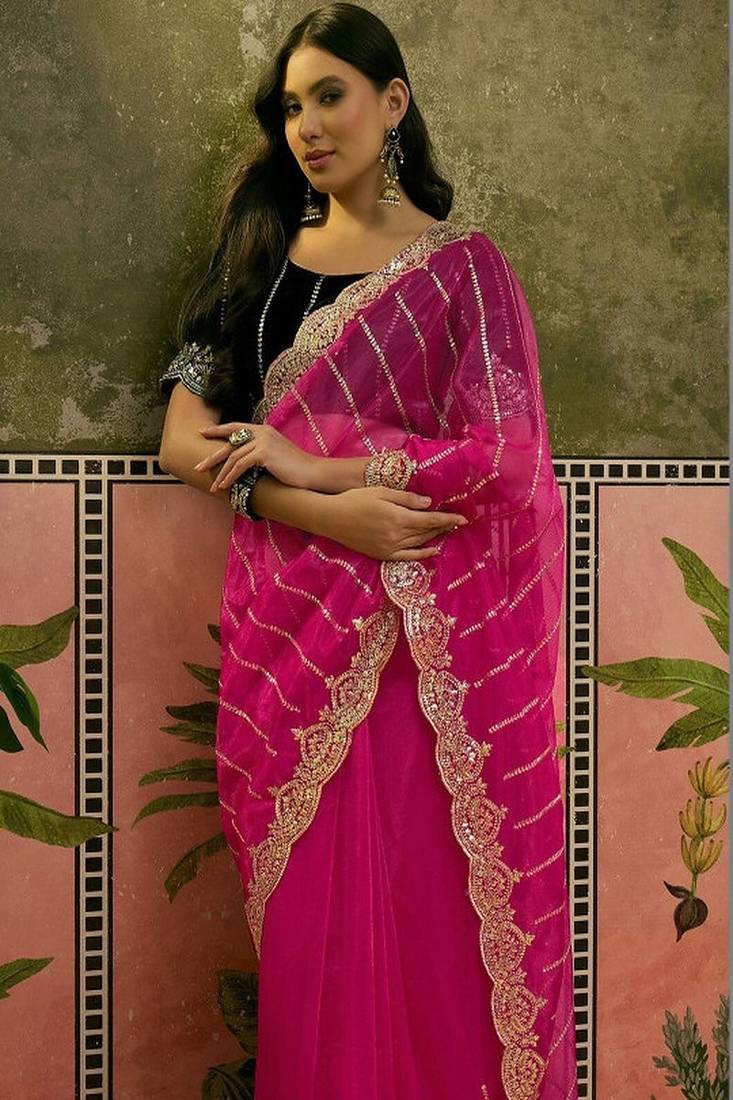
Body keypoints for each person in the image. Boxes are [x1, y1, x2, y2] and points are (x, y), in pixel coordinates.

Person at [157, 4, 577, 1098]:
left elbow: (506, 458)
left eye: (329, 95)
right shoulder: (256, 260)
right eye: (290, 105)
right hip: (292, 648)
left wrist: (328, 467)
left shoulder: (464, 271)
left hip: (428, 667)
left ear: (392, 102)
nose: (306, 124)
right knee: (322, 942)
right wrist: (313, 508)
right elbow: (182, 440)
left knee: (437, 928)